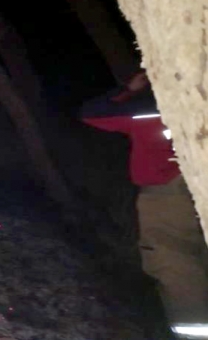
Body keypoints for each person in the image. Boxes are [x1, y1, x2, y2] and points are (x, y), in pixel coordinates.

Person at [79, 71, 208, 338]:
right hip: (180, 190)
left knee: (174, 261)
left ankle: (196, 333)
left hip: (167, 195)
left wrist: (128, 89)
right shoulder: (158, 110)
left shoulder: (147, 111)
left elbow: (93, 114)